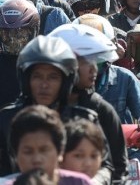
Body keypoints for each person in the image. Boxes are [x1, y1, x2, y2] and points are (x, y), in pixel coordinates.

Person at [0, 35, 114, 184]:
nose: (44, 85)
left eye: (53, 77)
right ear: (26, 80)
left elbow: (106, 166)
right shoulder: (6, 119)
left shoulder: (85, 119)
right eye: (37, 76)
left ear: (66, 82)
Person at [74, 14, 140, 182]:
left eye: (97, 55)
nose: (91, 65)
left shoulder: (124, 78)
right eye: (85, 57)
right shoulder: (62, 84)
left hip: (120, 163)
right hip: (75, 166)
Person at [48, 24, 129, 183]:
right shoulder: (39, 108)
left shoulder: (102, 110)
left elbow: (118, 168)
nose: (94, 69)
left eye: (97, 62)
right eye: (87, 62)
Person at [0, 105, 92, 184]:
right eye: (28, 152)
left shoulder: (80, 183)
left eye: (44, 150)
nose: (37, 159)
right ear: (16, 156)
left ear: (60, 152)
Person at [0, 0, 39, 108]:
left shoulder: (42, 63)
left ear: (33, 31)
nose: (13, 40)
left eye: (19, 34)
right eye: (6, 34)